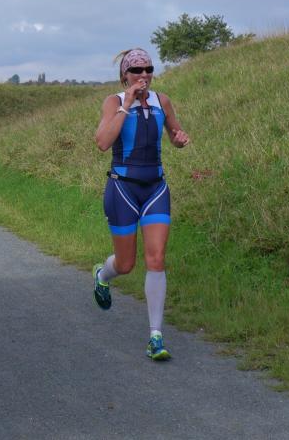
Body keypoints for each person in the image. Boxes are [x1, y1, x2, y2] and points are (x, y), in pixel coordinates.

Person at [93, 47, 190, 360]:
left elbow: (174, 134)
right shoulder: (114, 102)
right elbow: (102, 142)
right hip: (122, 189)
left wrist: (178, 140)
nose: (144, 75)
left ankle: (155, 337)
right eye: (137, 70)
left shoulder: (163, 101)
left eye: (148, 69)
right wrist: (128, 104)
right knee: (126, 264)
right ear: (125, 75)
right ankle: (102, 275)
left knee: (157, 258)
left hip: (155, 189)